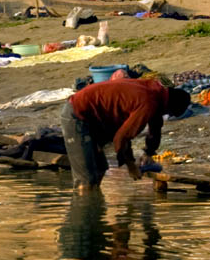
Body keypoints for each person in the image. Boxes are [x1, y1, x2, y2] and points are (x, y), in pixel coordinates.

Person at [60, 79, 191, 191]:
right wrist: (131, 166)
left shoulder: (156, 92)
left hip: (94, 117)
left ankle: (94, 214)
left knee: (100, 168)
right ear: (168, 107)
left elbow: (156, 125)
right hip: (77, 114)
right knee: (86, 180)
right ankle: (83, 212)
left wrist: (149, 153)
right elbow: (121, 138)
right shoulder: (148, 103)